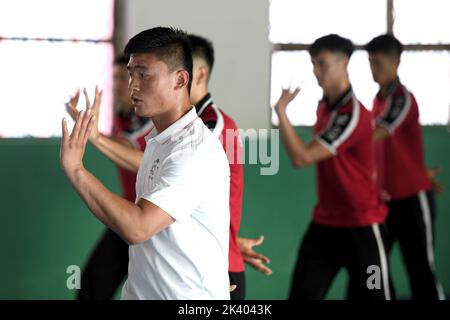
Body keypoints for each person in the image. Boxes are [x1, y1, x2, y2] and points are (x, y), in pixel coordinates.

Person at [67, 34, 272, 300]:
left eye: (144, 75)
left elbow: (138, 226)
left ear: (182, 78)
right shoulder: (158, 138)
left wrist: (76, 168)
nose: (132, 86)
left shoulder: (202, 140)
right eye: (129, 75)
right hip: (161, 240)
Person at [274, 34, 389, 300]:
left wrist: (281, 111)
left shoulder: (352, 114)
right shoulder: (326, 108)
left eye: (322, 63)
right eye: (313, 63)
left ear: (344, 61)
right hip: (325, 224)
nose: (316, 71)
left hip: (362, 226)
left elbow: (302, 157)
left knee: (373, 295)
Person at [66, 55, 153, 300]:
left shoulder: (153, 120)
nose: (117, 84)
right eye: (114, 77)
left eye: (123, 78)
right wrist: (86, 126)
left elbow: (139, 156)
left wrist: (95, 136)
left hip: (153, 219)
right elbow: (118, 144)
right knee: (92, 285)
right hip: (125, 214)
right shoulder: (121, 116)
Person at [366, 33, 445, 300]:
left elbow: (380, 132)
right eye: (370, 62)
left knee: (420, 269)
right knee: (373, 268)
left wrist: (340, 140)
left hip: (412, 199)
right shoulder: (376, 101)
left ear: (396, 62)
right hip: (383, 202)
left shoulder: (402, 99)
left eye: (378, 63)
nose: (373, 69)